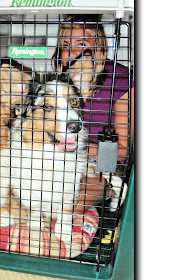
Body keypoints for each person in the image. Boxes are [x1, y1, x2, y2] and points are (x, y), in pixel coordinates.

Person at [51, 14, 134, 214]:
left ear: (99, 46)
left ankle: (110, 192)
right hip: (59, 158)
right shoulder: (59, 84)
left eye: (81, 44)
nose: (72, 52)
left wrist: (78, 147)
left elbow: (125, 149)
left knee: (68, 205)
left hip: (104, 165)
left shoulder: (121, 80)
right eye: (65, 45)